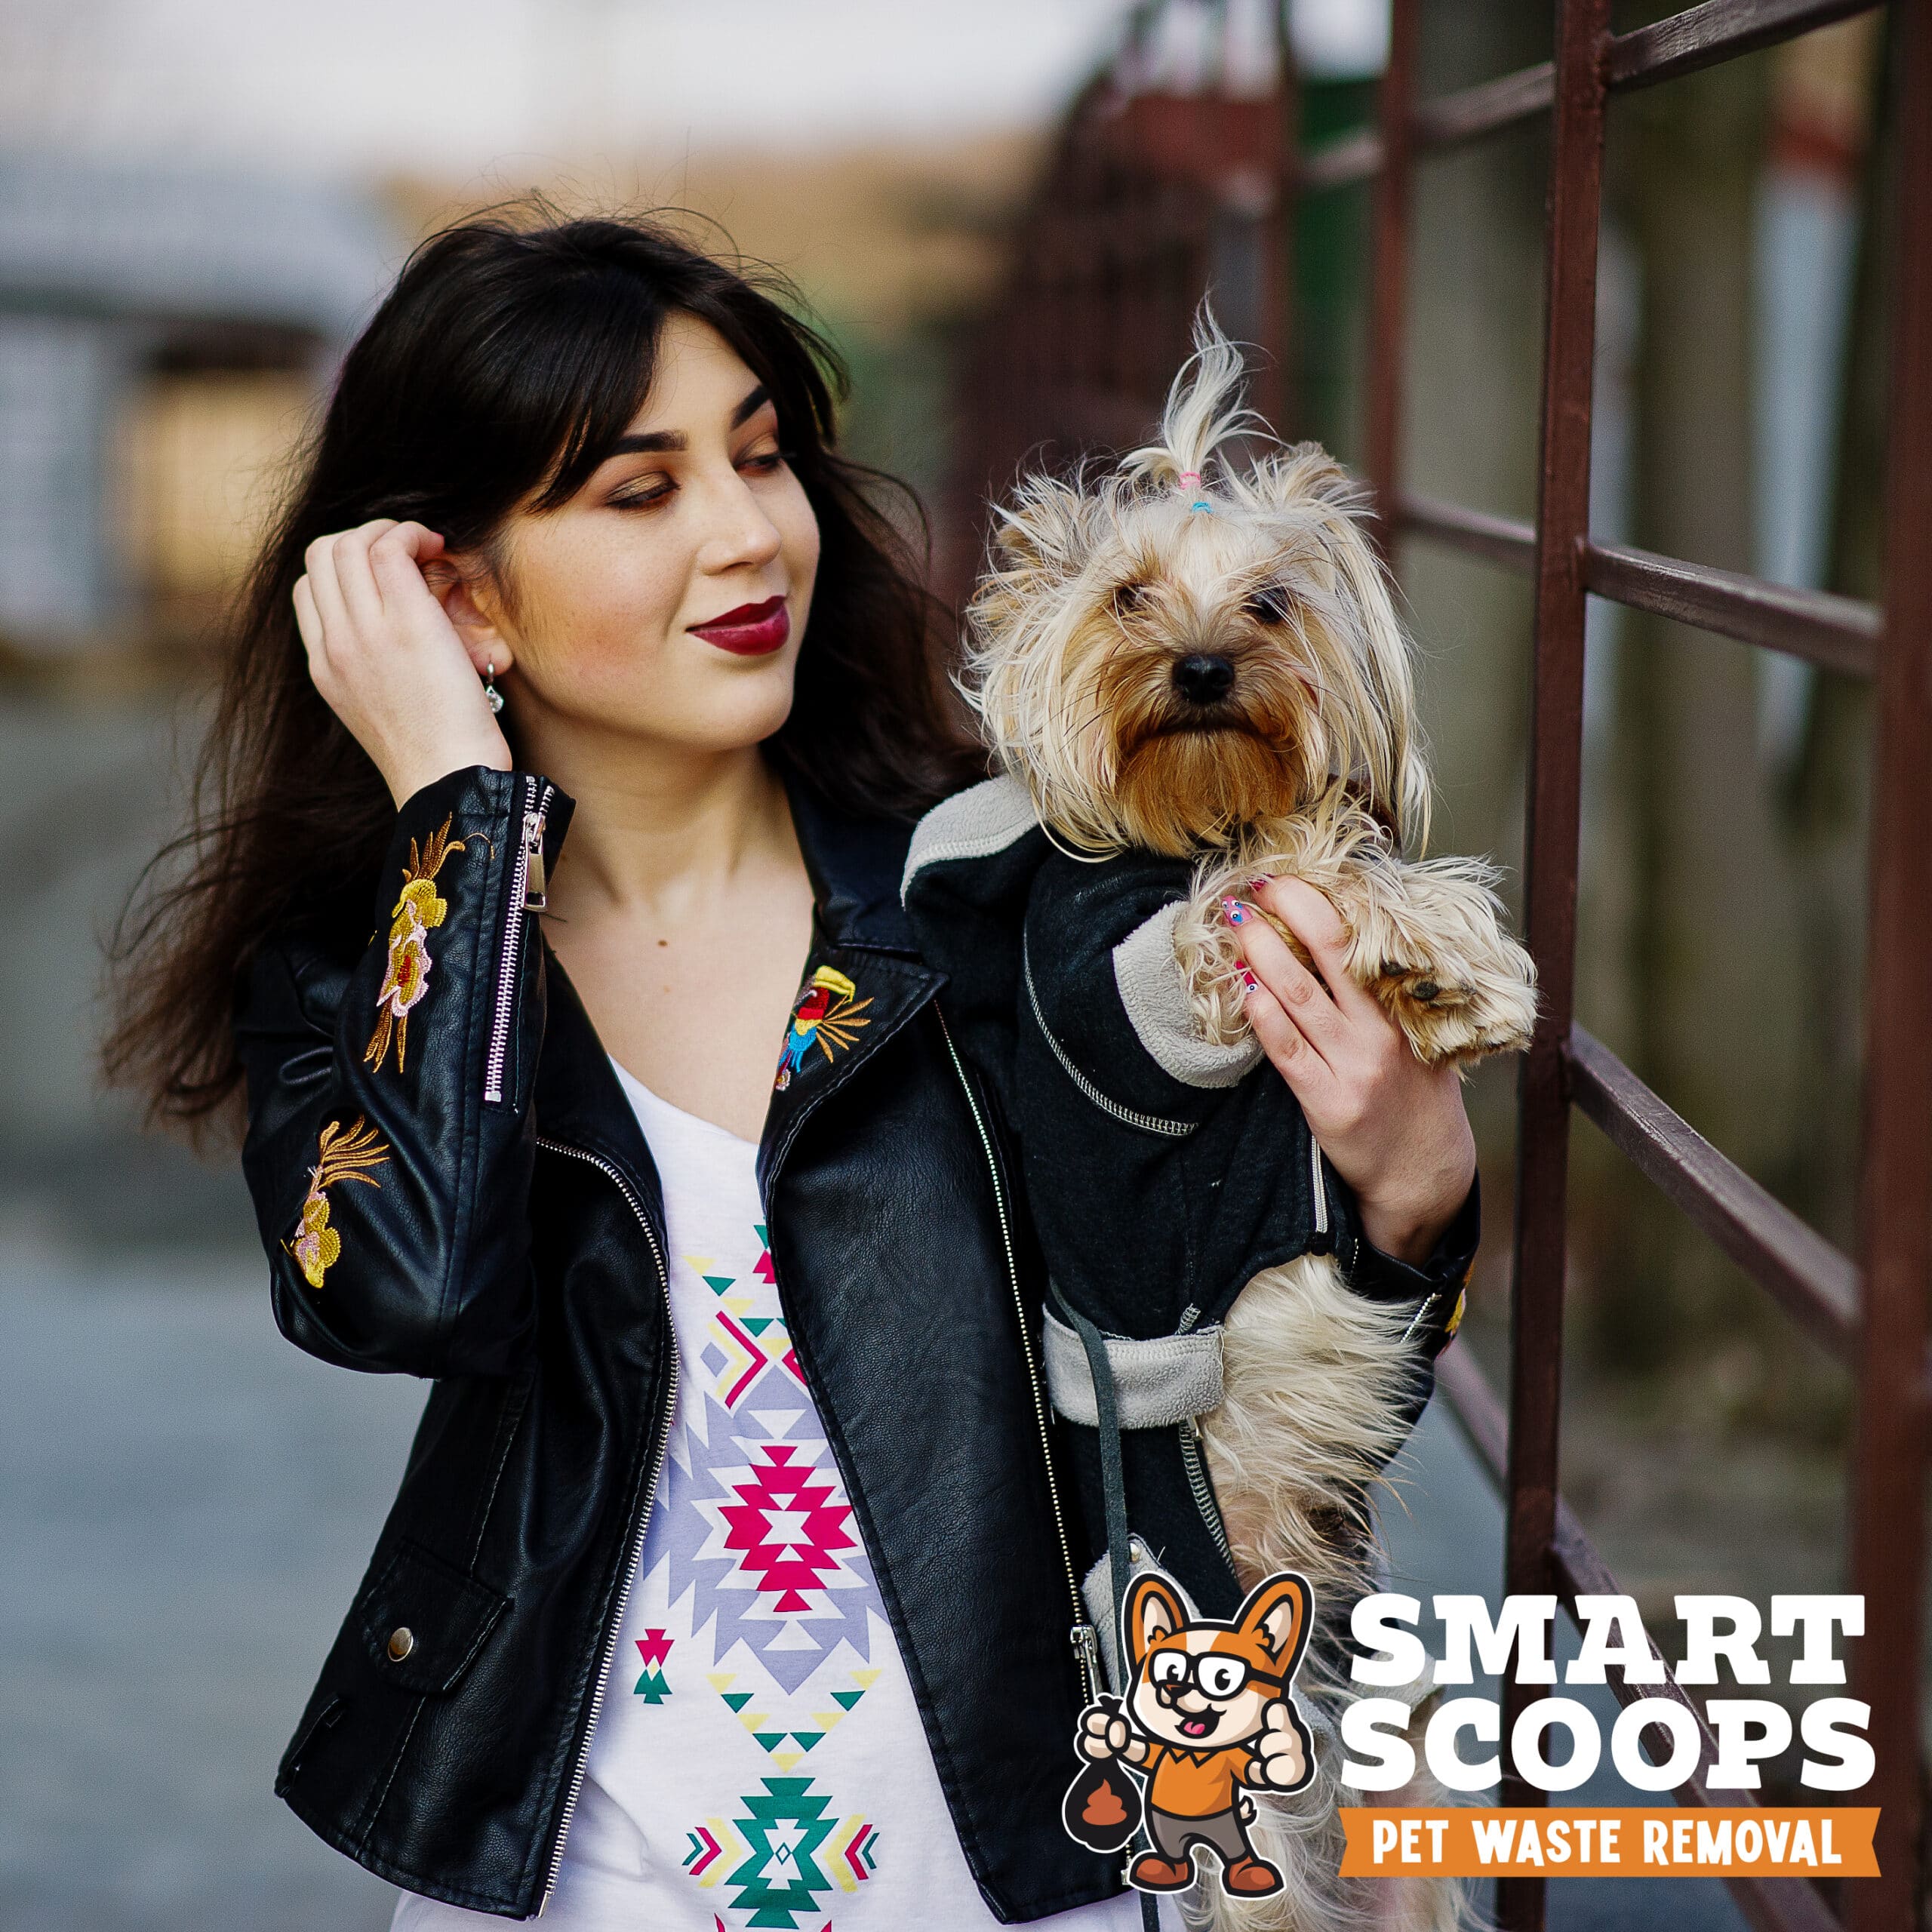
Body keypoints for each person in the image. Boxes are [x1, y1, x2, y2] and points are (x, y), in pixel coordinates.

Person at [104, 206, 1478, 1929]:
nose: (748, 533)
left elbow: (1252, 1389)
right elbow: (408, 1293)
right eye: (638, 489)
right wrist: (460, 823)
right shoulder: (369, 970)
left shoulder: (996, 896)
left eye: (757, 458)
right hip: (569, 1878)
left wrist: (1410, 1204)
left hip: (1009, 1862)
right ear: (457, 591)